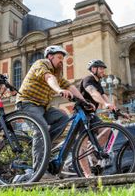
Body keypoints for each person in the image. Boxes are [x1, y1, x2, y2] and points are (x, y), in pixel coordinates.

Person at [14, 45, 93, 182]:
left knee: (63, 118)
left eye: (63, 58)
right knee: (41, 128)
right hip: (27, 103)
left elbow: (69, 85)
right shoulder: (41, 64)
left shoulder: (57, 73)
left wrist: (84, 101)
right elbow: (48, 77)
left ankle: (43, 145)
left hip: (43, 107)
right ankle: (40, 169)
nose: (61, 61)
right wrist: (58, 90)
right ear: (50, 57)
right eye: (59, 58)